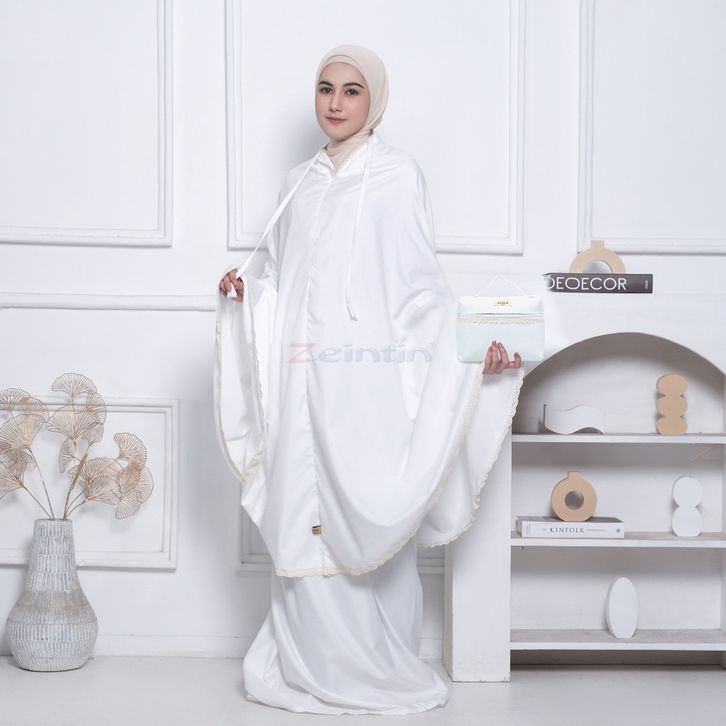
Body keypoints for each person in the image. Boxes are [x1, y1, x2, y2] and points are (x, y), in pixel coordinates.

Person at [214, 44, 523, 715]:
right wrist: (248, 294)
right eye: (325, 88)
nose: (335, 102)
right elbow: (285, 281)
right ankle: (304, 662)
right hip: (300, 383)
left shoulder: (398, 177)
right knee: (303, 508)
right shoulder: (297, 183)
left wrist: (472, 350)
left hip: (367, 387)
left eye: (351, 90)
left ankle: (375, 668)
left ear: (374, 100)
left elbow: (419, 289)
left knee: (367, 503)